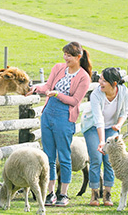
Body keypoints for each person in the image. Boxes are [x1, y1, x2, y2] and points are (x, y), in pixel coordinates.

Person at [27, 41, 92, 207]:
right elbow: (48, 86)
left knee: (64, 156)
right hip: (48, 114)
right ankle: (49, 192)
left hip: (65, 116)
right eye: (64, 54)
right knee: (48, 155)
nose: (66, 58)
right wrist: (36, 89)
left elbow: (75, 100)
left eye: (69, 55)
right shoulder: (57, 68)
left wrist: (57, 94)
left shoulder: (84, 77)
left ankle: (63, 194)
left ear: (79, 57)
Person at [81, 67, 128, 206]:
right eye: (100, 79)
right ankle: (94, 195)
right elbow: (98, 119)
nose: (100, 82)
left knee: (110, 159)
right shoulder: (96, 94)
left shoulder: (123, 92)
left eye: (104, 80)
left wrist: (119, 125)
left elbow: (124, 112)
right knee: (96, 158)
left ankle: (107, 195)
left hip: (112, 127)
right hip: (92, 127)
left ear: (114, 83)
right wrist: (102, 141)